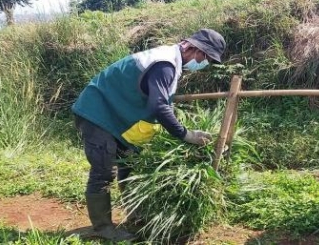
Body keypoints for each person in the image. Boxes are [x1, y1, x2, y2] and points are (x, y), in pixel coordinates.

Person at [72, 28, 226, 242]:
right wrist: (185, 135)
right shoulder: (165, 64)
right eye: (206, 57)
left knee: (129, 163)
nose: (204, 63)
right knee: (103, 171)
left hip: (118, 115)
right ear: (194, 48)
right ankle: (102, 228)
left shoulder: (170, 61)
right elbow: (159, 106)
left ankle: (135, 215)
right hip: (98, 112)